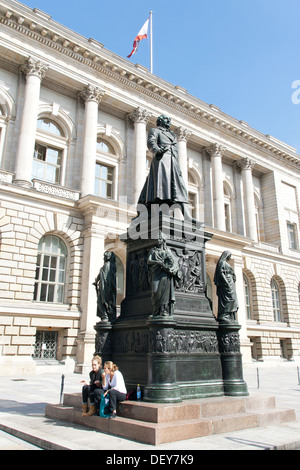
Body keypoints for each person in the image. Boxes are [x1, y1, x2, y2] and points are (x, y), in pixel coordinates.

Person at [138, 114, 193, 221]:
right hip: (162, 160)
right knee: (161, 188)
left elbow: (176, 150)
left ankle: (187, 216)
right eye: (166, 119)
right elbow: (151, 142)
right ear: (160, 121)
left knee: (179, 188)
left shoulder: (172, 135)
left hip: (173, 162)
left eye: (169, 120)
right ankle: (161, 212)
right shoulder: (155, 130)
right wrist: (157, 150)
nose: (169, 121)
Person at [213, 250, 239, 324]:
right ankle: (224, 315)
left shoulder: (225, 263)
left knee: (233, 299)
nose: (230, 257)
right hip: (227, 283)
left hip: (230, 283)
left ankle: (230, 316)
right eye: (229, 255)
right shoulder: (222, 263)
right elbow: (220, 273)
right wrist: (226, 282)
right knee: (229, 299)